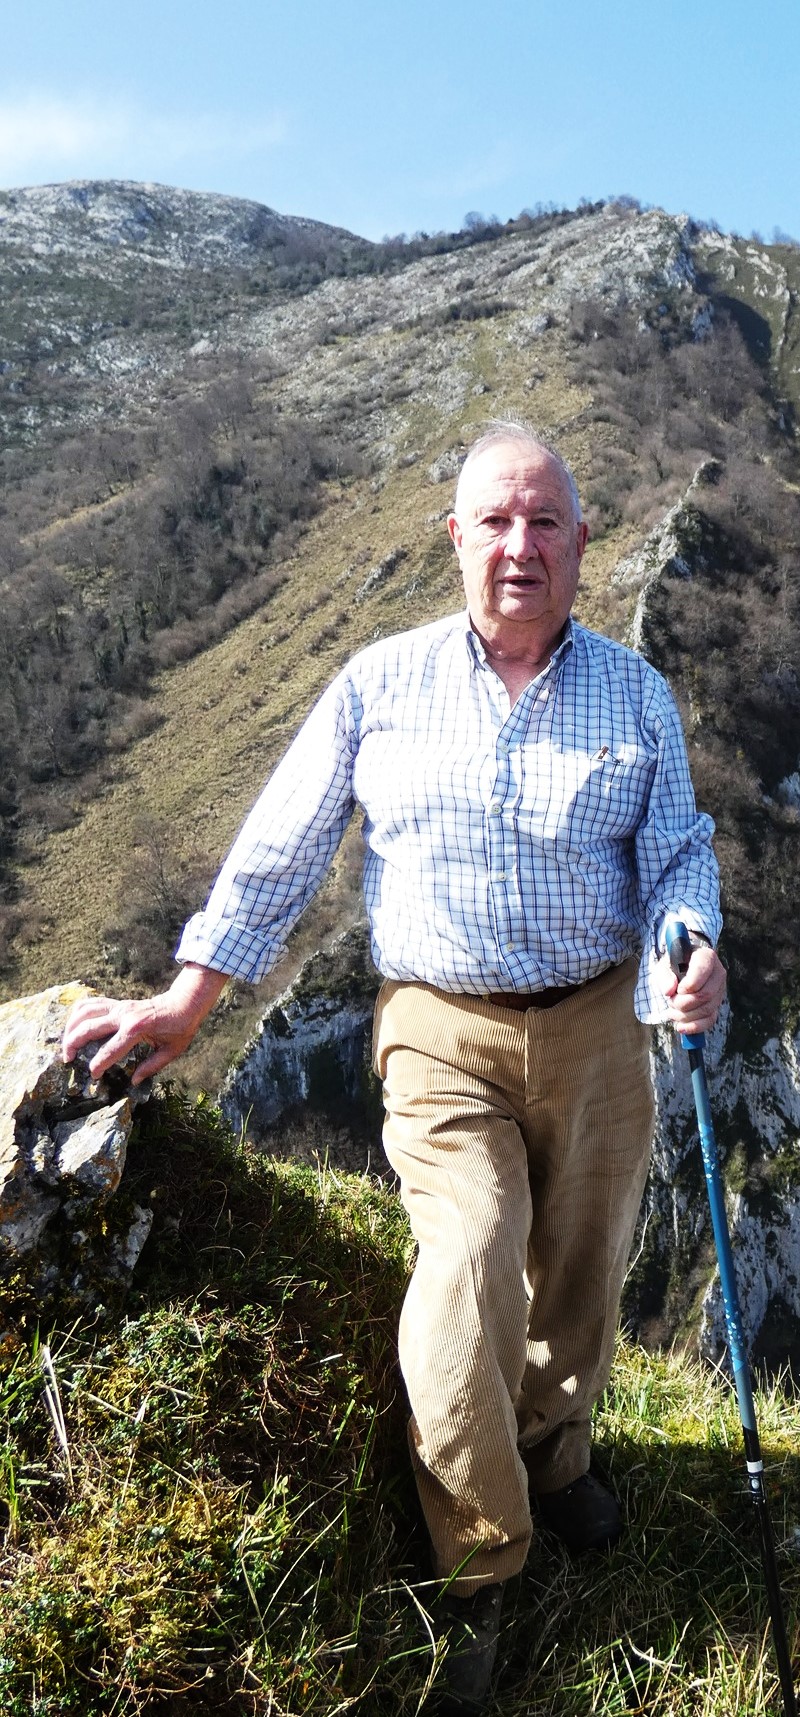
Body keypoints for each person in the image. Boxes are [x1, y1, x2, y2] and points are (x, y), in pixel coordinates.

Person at [61, 420, 725, 1715]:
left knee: (581, 1270)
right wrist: (193, 993)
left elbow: (677, 852)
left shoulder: (633, 694)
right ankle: (480, 1556)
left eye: (545, 521)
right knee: (468, 1259)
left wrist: (686, 943)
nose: (521, 544)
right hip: (439, 1031)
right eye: (496, 520)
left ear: (584, 542)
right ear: (456, 540)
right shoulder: (380, 683)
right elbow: (285, 837)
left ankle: (557, 1443)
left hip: (595, 1023)